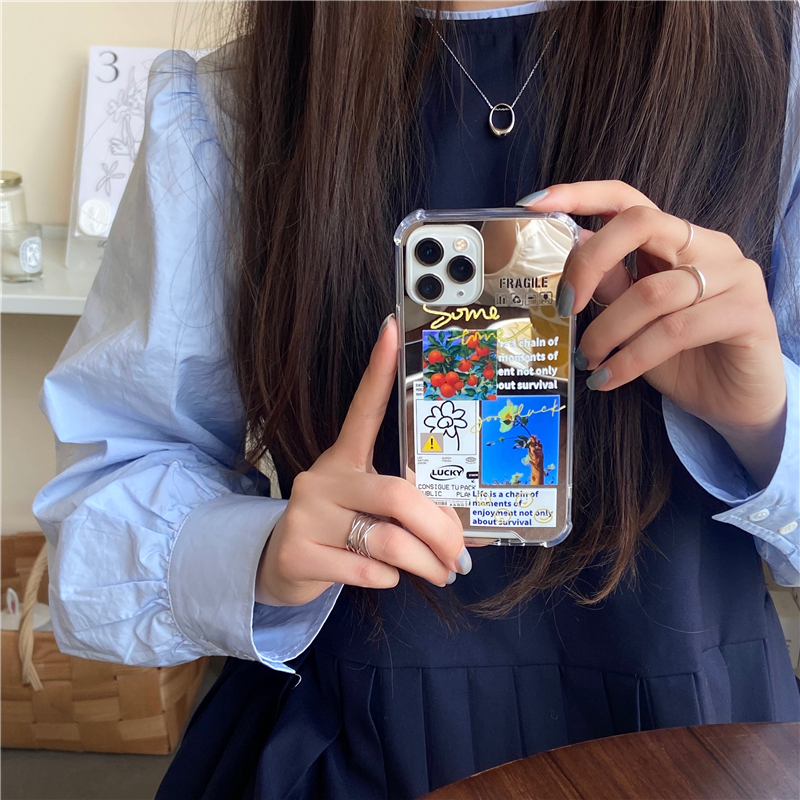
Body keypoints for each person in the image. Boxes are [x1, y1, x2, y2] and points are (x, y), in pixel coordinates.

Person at [33, 2, 800, 798]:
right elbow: (99, 509)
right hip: (356, 744)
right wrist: (259, 552)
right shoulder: (232, 104)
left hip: (701, 749)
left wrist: (764, 419)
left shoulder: (773, 64)